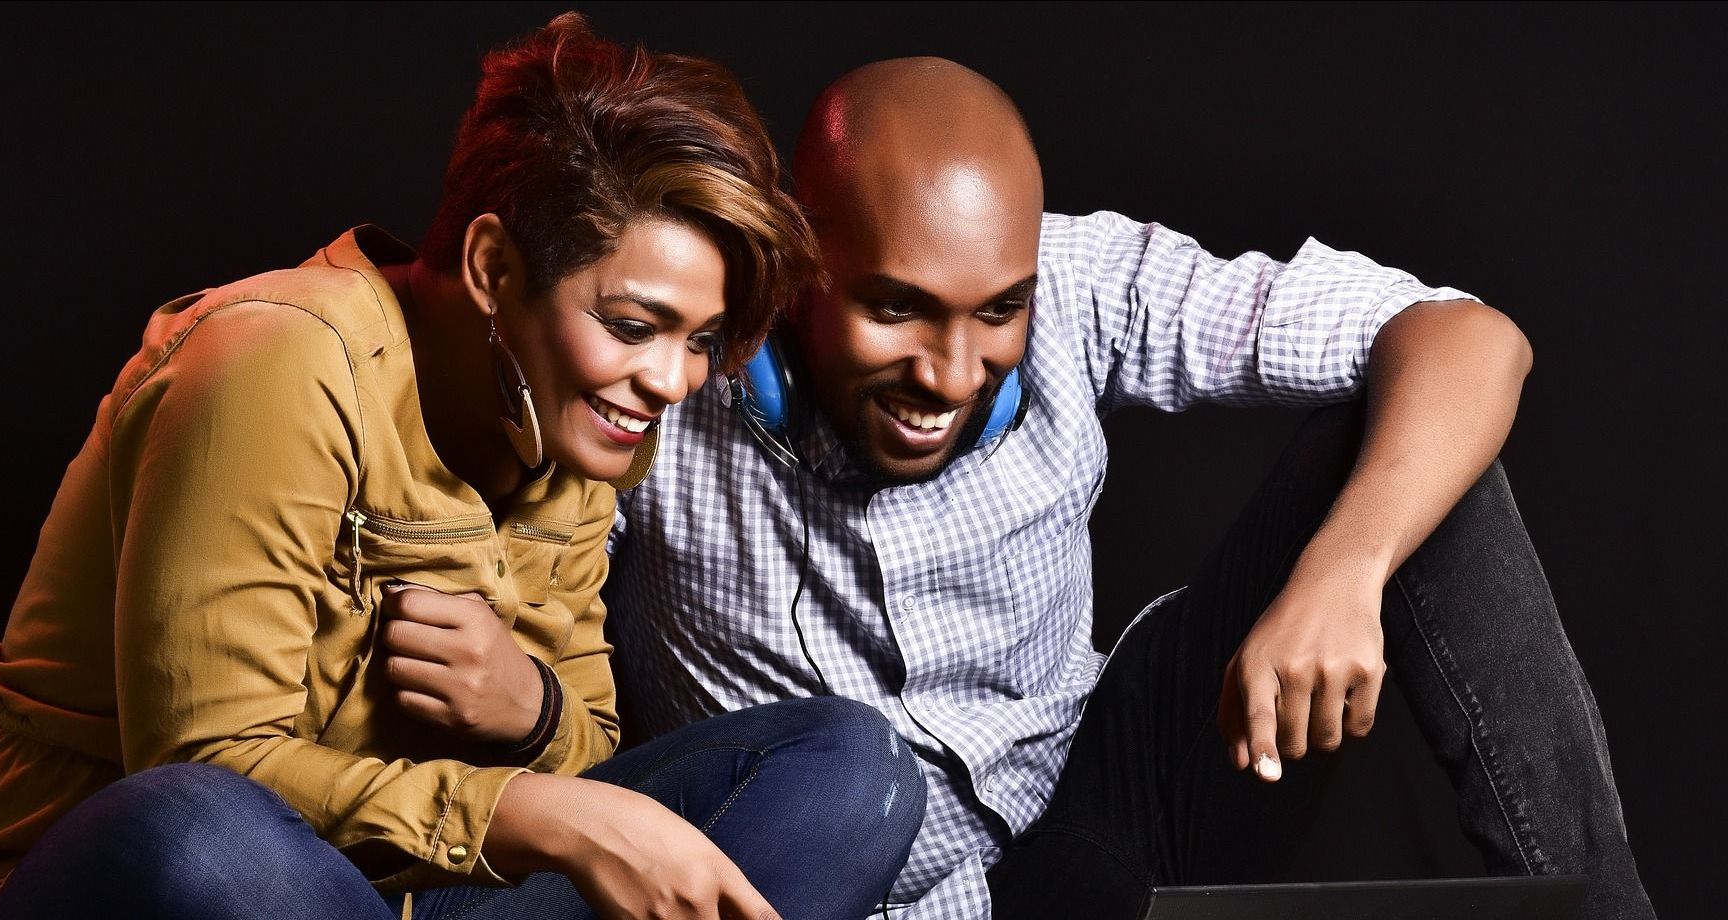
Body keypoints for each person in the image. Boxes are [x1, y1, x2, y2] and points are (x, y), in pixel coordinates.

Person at [0, 17, 925, 920]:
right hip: (130, 885)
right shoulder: (276, 359)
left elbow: (590, 747)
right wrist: (534, 811)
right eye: (631, 324)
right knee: (198, 827)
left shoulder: (581, 422)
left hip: (407, 893)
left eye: (698, 339)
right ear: (493, 267)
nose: (671, 380)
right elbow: (205, 769)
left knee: (849, 767)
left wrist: (532, 712)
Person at [602, 57, 1657, 918]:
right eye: (897, 309)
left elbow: (1469, 339)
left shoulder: (1079, 281)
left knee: (1404, 451)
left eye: (997, 312)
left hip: (1106, 810)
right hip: (851, 891)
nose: (954, 375)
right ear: (794, 261)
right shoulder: (661, 380)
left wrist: (1344, 570)